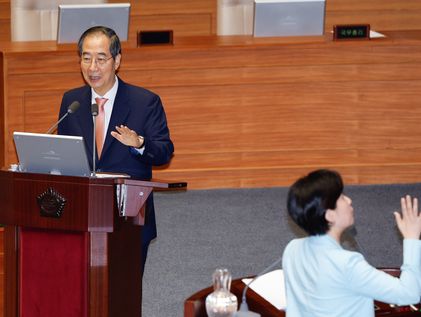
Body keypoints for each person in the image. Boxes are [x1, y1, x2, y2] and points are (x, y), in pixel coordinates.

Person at [57, 26, 174, 271]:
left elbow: (164, 151)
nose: (92, 68)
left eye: (101, 59)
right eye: (86, 58)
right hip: (82, 213)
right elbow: (65, 154)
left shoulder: (145, 102)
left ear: (117, 61)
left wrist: (140, 144)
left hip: (128, 215)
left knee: (124, 293)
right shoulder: (72, 101)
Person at [282, 169, 421, 317]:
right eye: (341, 197)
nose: (349, 200)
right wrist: (411, 238)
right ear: (330, 215)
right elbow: (409, 294)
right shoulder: (347, 264)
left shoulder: (292, 249)